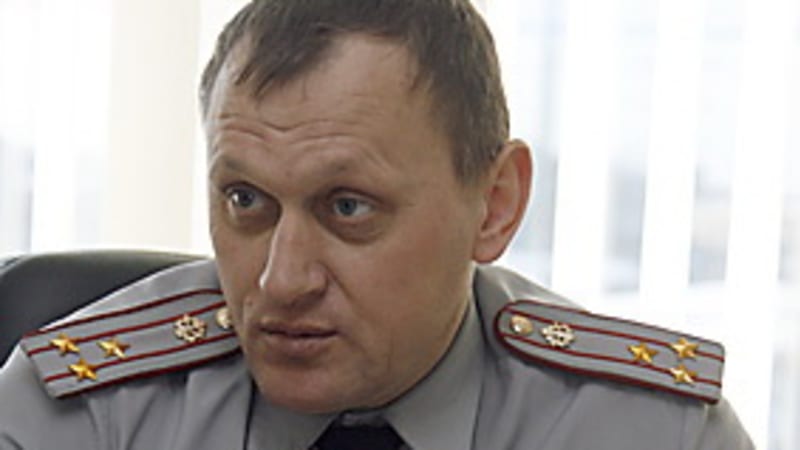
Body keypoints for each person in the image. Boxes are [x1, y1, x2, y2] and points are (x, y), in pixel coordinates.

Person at [0, 0, 753, 448]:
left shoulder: (654, 433)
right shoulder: (82, 410)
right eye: (246, 202)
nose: (281, 281)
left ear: (494, 205)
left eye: (348, 207)